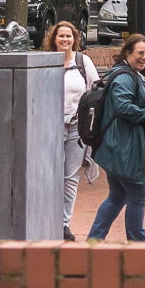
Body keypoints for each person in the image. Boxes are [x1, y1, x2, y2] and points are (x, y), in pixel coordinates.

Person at [88, 34, 145, 242]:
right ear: (128, 53)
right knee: (138, 195)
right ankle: (138, 246)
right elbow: (123, 107)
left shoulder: (133, 75)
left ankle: (94, 240)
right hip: (122, 147)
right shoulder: (124, 77)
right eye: (140, 53)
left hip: (118, 145)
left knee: (117, 195)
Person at [44, 20, 98, 242]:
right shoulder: (46, 62)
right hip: (51, 127)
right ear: (53, 39)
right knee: (50, 175)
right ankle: (48, 219)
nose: (65, 40)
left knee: (70, 177)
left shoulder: (83, 62)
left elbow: (96, 92)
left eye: (68, 36)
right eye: (60, 36)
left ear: (75, 39)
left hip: (77, 126)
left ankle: (64, 223)